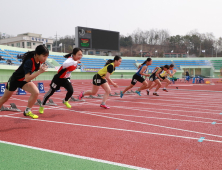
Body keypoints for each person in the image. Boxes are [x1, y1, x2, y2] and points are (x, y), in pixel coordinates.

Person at [0, 45, 48, 118]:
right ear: (37, 55)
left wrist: (40, 69)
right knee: (4, 99)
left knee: (36, 92)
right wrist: (40, 72)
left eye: (47, 56)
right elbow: (28, 78)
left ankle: (27, 111)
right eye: (44, 56)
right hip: (15, 80)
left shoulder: (38, 62)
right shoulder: (29, 61)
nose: (45, 58)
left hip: (23, 80)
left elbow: (27, 78)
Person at [39, 48, 82, 114]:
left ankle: (65, 101)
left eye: (81, 55)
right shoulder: (70, 60)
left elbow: (68, 70)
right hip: (58, 79)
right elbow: (65, 64)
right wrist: (76, 62)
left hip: (65, 79)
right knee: (50, 93)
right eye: (79, 55)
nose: (80, 56)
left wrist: (69, 77)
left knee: (71, 90)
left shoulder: (75, 61)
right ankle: (42, 105)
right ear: (74, 55)